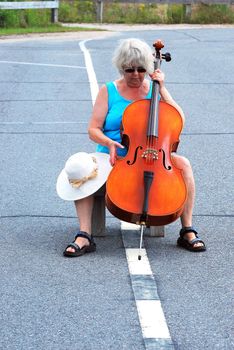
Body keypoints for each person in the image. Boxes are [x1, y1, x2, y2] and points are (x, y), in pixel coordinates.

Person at [62, 38, 206, 257]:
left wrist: (163, 88)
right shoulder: (108, 91)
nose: (136, 75)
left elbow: (179, 120)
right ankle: (84, 235)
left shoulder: (154, 90)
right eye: (130, 70)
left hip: (152, 156)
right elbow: (93, 129)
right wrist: (108, 142)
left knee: (184, 164)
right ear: (122, 68)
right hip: (112, 157)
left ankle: (187, 230)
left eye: (141, 69)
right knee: (79, 167)